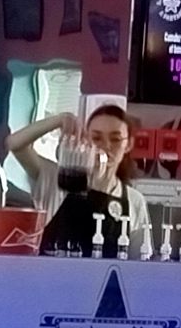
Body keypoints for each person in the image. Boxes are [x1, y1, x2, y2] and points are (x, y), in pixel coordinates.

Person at [14, 94, 137, 258]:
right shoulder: (58, 179)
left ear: (128, 144)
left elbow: (139, 260)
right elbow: (15, 144)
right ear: (86, 140)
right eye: (96, 138)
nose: (106, 146)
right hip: (52, 273)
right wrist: (59, 120)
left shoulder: (134, 200)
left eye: (115, 139)